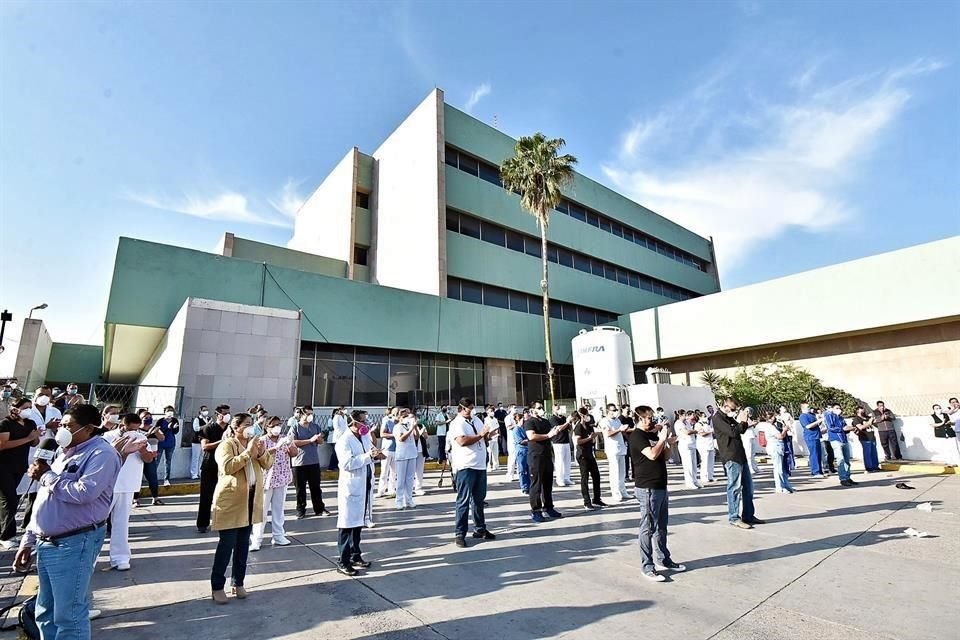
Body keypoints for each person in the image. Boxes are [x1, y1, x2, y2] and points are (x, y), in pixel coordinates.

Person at [13, 404, 120, 639]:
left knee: (68, 616)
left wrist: (47, 475)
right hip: (46, 542)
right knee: (45, 611)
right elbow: (44, 499)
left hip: (74, 542)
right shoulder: (63, 451)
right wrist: (28, 539)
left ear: (89, 428)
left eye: (68, 426)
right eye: (61, 424)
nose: (62, 430)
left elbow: (84, 493)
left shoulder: (101, 454)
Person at [209, 413, 275, 604]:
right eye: (246, 425)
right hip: (231, 502)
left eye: (252, 424)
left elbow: (268, 464)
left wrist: (261, 452)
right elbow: (228, 467)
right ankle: (217, 586)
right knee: (226, 545)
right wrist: (247, 453)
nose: (251, 428)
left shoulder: (254, 443)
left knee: (242, 546)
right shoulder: (227, 445)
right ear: (236, 427)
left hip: (250, 501)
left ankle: (238, 582)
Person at [630, 405, 686, 582]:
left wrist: (668, 443)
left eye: (652, 417)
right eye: (648, 417)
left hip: (661, 485)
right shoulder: (637, 436)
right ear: (639, 418)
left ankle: (663, 559)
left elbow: (665, 456)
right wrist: (661, 440)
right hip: (647, 487)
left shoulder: (653, 435)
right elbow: (652, 455)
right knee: (648, 528)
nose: (651, 420)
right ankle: (647, 566)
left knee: (661, 526)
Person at [102, 412, 155, 570]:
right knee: (97, 523)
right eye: (130, 429)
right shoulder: (107, 437)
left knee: (121, 523)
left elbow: (148, 460)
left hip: (129, 485)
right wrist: (123, 446)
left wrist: (144, 450)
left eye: (137, 428)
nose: (134, 431)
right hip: (108, 485)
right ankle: (90, 557)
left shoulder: (141, 438)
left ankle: (120, 558)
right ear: (122, 426)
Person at [334, 410, 381, 575]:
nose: (366, 424)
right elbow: (347, 464)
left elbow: (372, 451)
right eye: (363, 421)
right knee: (347, 525)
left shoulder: (364, 437)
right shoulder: (344, 441)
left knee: (358, 524)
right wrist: (368, 456)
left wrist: (376, 455)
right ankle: (343, 561)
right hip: (351, 488)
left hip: (364, 485)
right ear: (353, 423)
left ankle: (355, 555)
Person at [448, 398, 496, 547]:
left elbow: (482, 437)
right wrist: (481, 435)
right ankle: (460, 533)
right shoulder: (457, 423)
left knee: (479, 499)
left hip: (480, 465)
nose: (472, 410)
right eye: (470, 408)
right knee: (463, 500)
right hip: (465, 465)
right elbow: (462, 441)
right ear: (462, 408)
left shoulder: (476, 420)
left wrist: (488, 434)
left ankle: (480, 528)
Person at [712, 398, 763, 530]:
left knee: (748, 487)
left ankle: (748, 515)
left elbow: (741, 430)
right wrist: (741, 421)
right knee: (734, 487)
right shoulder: (717, 418)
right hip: (731, 456)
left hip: (740, 455)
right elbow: (733, 432)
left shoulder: (729, 418)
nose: (734, 412)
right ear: (725, 406)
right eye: (733, 409)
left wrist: (744, 422)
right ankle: (734, 517)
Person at [250, 416, 295, 551]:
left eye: (279, 424)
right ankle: (256, 539)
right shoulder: (262, 441)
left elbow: (294, 453)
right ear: (267, 427)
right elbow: (260, 455)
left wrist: (289, 446)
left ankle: (278, 535)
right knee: (261, 511)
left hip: (282, 477)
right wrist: (277, 447)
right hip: (266, 479)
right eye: (274, 425)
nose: (277, 427)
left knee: (278, 509)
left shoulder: (284, 438)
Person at [0, 398, 40, 549]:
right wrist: (28, 438)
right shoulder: (6, 423)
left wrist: (35, 437)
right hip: (3, 466)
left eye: (30, 407)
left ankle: (4, 529)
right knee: (9, 500)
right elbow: (3, 444)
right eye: (25, 407)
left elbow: (34, 442)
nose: (28, 410)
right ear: (15, 408)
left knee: (8, 499)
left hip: (19, 466)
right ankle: (6, 535)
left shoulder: (30, 423)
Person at [524, 401, 564, 523]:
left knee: (548, 483)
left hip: (547, 455)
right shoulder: (530, 422)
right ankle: (536, 510)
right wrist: (547, 435)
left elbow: (551, 434)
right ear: (532, 410)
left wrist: (555, 432)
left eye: (542, 407)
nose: (541, 410)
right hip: (536, 456)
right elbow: (531, 436)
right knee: (536, 484)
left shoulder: (546, 422)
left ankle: (549, 506)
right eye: (539, 408)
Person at [289, 406, 329, 519]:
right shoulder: (295, 427)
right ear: (301, 415)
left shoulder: (315, 427)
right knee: (300, 488)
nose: (310, 416)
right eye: (308, 413)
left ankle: (319, 508)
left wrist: (319, 439)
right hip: (299, 462)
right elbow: (293, 442)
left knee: (316, 487)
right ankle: (300, 509)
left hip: (313, 461)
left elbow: (320, 441)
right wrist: (310, 440)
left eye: (312, 413)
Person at [197, 405, 230, 533]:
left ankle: (222, 522)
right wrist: (221, 442)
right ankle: (202, 523)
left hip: (226, 466)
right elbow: (205, 446)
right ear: (218, 414)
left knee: (225, 496)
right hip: (210, 465)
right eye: (224, 413)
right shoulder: (208, 428)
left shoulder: (230, 428)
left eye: (228, 413)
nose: (227, 415)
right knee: (206, 496)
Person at [574, 408, 604, 510]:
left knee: (596, 476)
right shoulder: (578, 427)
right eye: (586, 415)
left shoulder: (588, 426)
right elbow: (578, 441)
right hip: (582, 455)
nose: (588, 416)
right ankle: (586, 502)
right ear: (582, 416)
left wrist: (594, 437)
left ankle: (597, 498)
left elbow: (591, 439)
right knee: (585, 478)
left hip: (590, 453)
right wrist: (589, 438)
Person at [600, 404, 630, 503]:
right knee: (615, 472)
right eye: (613, 410)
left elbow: (622, 431)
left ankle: (623, 491)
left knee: (622, 472)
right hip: (612, 449)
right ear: (608, 411)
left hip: (620, 448)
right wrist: (619, 430)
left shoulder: (617, 420)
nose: (615, 411)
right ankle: (615, 492)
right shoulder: (604, 421)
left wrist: (625, 430)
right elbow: (608, 434)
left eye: (616, 410)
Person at [825, 403, 857, 487]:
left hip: (843, 439)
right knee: (840, 459)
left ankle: (847, 477)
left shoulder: (841, 418)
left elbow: (845, 427)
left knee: (847, 460)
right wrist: (842, 429)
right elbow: (830, 428)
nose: (839, 409)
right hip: (835, 439)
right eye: (836, 408)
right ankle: (843, 478)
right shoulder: (829, 416)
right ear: (832, 408)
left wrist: (849, 428)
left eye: (839, 408)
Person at [762, 411, 795, 493]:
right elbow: (780, 436)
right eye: (773, 417)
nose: (775, 418)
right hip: (775, 447)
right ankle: (780, 487)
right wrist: (784, 430)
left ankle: (786, 485)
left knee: (783, 467)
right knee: (778, 468)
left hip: (778, 447)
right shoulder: (770, 427)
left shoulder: (773, 426)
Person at [393, 409, 419, 510]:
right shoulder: (397, 427)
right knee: (401, 479)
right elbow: (401, 439)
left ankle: (409, 499)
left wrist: (415, 427)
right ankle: (399, 501)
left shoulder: (409, 426)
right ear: (399, 418)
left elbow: (416, 437)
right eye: (403, 416)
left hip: (412, 454)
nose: (405, 418)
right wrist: (411, 429)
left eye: (406, 416)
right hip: (402, 455)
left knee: (410, 479)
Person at [798, 403, 826, 478]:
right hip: (810, 437)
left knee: (818, 454)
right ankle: (815, 472)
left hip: (817, 436)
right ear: (803, 408)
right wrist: (819, 420)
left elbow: (817, 424)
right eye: (807, 407)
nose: (809, 408)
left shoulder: (812, 415)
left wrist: (820, 420)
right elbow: (808, 426)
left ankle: (820, 471)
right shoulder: (803, 416)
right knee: (814, 454)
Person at [154, 405, 179, 487]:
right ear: (164, 412)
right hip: (161, 443)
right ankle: (153, 478)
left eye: (171, 411)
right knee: (157, 460)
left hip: (170, 443)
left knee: (168, 461)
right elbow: (157, 431)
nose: (170, 412)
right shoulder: (160, 421)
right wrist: (167, 428)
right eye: (168, 411)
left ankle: (167, 479)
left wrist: (174, 428)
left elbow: (176, 432)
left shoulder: (175, 420)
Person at [675, 411, 700, 489]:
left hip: (692, 445)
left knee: (694, 464)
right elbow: (687, 432)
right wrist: (696, 431)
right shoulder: (678, 423)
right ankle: (689, 482)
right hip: (685, 446)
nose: (686, 417)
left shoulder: (686, 422)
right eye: (684, 415)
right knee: (688, 465)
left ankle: (695, 480)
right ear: (680, 415)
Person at [376, 407, 398, 497]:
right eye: (397, 413)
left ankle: (392, 489)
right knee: (384, 471)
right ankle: (381, 490)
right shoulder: (387, 421)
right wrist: (394, 435)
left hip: (397, 450)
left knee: (394, 472)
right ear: (393, 414)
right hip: (387, 449)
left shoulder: (401, 423)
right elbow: (382, 434)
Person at [549, 406, 573, 486]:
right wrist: (567, 422)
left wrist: (570, 422)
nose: (559, 410)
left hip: (566, 441)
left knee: (567, 461)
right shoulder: (553, 419)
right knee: (560, 461)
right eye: (557, 409)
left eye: (559, 408)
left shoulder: (563, 418)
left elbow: (569, 428)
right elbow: (559, 428)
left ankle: (566, 478)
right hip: (558, 442)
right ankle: (559, 479)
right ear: (553, 410)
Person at [852, 407, 880, 472]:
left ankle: (875, 466)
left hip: (872, 436)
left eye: (863, 408)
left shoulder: (867, 417)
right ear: (857, 411)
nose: (863, 410)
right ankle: (869, 467)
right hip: (865, 437)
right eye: (861, 409)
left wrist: (873, 418)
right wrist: (869, 421)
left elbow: (875, 423)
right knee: (867, 452)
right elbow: (861, 427)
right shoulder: (856, 419)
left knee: (874, 452)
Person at [695, 411, 716, 485]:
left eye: (705, 416)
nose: (705, 417)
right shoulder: (698, 424)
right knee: (705, 461)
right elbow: (702, 434)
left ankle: (710, 476)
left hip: (710, 444)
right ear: (700, 417)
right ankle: (704, 476)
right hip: (703, 445)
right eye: (703, 416)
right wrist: (711, 431)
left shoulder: (707, 424)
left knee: (711, 460)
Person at [513, 408, 531, 494]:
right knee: (522, 470)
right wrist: (530, 440)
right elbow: (520, 441)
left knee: (529, 469)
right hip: (521, 451)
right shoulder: (516, 429)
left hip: (527, 450)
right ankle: (524, 486)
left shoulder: (525, 428)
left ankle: (529, 485)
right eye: (522, 420)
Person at [191, 406, 211, 480]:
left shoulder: (208, 419)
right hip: (197, 441)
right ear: (200, 411)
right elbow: (196, 428)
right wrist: (206, 425)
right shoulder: (197, 419)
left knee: (202, 457)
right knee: (195, 457)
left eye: (206, 410)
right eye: (204, 410)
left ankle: (200, 472)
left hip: (205, 440)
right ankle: (194, 473)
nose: (205, 411)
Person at [328, 406, 349, 471]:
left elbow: (346, 426)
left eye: (344, 409)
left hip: (344, 437)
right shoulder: (336, 417)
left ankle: (337, 466)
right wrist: (342, 435)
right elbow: (336, 428)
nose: (344, 410)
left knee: (341, 453)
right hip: (337, 438)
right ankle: (331, 467)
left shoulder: (345, 417)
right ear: (340, 410)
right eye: (343, 409)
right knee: (335, 453)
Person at [620, 405, 636, 480]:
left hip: (631, 440)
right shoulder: (620, 418)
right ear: (622, 409)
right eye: (627, 409)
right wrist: (631, 430)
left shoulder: (630, 419)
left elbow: (632, 427)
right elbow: (623, 430)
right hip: (624, 440)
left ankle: (634, 474)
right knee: (626, 459)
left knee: (633, 458)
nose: (628, 410)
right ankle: (626, 475)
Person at [485, 405, 501, 472]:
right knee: (489, 452)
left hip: (495, 438)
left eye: (493, 411)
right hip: (489, 438)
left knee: (495, 452)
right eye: (491, 411)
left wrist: (499, 435)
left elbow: (498, 427)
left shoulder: (495, 419)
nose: (492, 412)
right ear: (487, 412)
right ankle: (488, 466)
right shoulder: (486, 419)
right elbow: (486, 429)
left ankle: (496, 465)